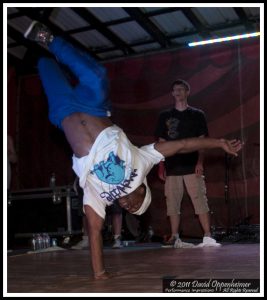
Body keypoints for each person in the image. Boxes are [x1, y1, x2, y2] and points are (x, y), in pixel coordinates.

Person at [24, 21, 243, 280]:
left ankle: (38, 51)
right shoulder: (143, 162)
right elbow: (183, 144)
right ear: (143, 191)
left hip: (64, 114)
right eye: (135, 204)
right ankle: (48, 39)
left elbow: (94, 233)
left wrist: (100, 273)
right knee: (96, 76)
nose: (127, 204)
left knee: (44, 65)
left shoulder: (99, 196)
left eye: (128, 208)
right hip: (93, 107)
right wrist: (219, 143)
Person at [155, 79, 222, 248]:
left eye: (181, 89)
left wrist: (200, 162)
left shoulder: (197, 114)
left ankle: (207, 236)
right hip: (172, 166)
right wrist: (161, 165)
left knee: (200, 199)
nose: (177, 92)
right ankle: (175, 236)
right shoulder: (165, 116)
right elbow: (161, 143)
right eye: (175, 89)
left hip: (192, 165)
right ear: (172, 93)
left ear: (187, 92)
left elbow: (202, 142)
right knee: (172, 203)